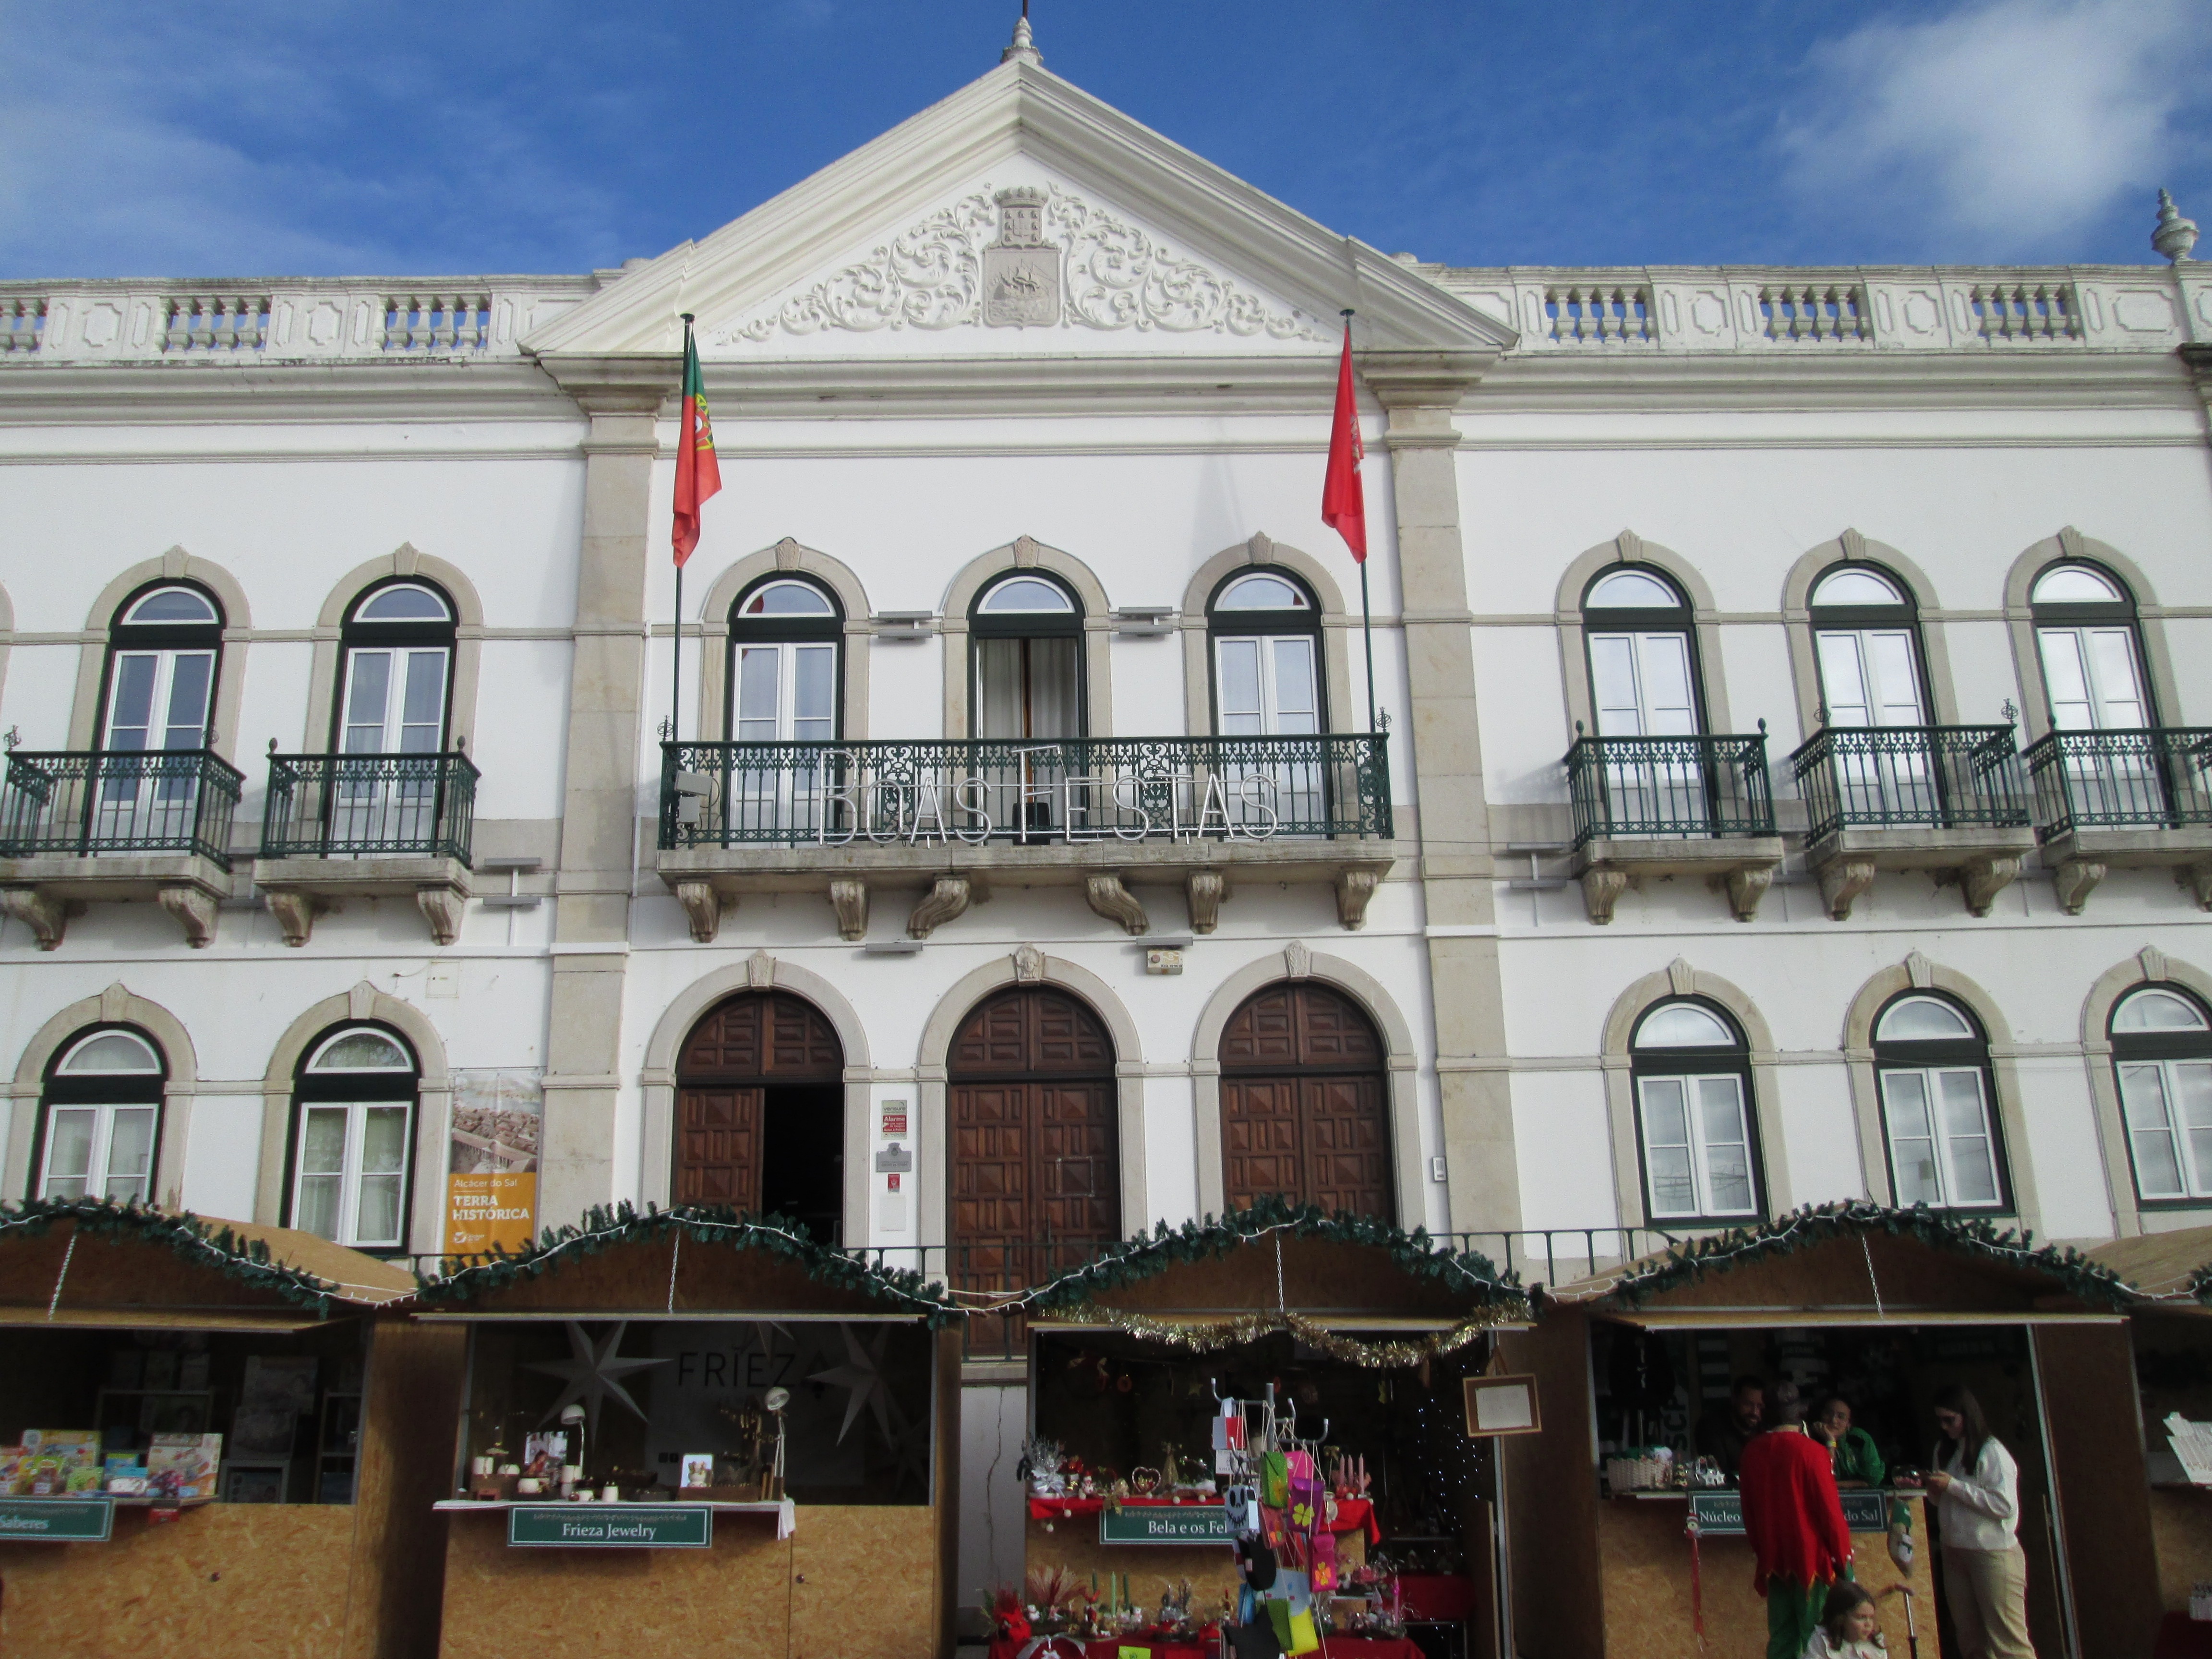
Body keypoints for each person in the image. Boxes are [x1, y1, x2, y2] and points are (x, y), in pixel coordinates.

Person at [1739, 1380, 1855, 1659]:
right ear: (1799, 1414)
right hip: (1813, 1561)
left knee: (1782, 1639)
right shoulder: (1812, 1452)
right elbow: (1830, 1513)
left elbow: (1750, 1515)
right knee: (1819, 1638)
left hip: (1774, 1562)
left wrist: (1763, 1552)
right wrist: (1844, 1559)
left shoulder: (1751, 1453)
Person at [1926, 1384, 2036, 1659]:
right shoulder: (1945, 1449)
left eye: (1949, 1420)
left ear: (1967, 1415)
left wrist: (1954, 1487)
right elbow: (1943, 1503)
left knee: (2008, 1641)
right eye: (1939, 1420)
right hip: (1955, 1551)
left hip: (1992, 1553)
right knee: (1970, 1639)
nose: (1945, 1427)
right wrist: (1933, 1489)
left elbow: (2005, 1506)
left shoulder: (1992, 1451)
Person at [1695, 1374, 1766, 1479]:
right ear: (1734, 1400)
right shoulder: (1712, 1427)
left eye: (1760, 1406)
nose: (1755, 1412)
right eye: (1748, 1404)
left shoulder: (1766, 1428)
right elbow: (1720, 1475)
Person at [1811, 1396, 1885, 1487]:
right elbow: (1818, 1480)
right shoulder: (1810, 1439)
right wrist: (1830, 1442)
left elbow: (1872, 1481)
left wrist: (1833, 1485)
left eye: (1841, 1417)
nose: (1834, 1420)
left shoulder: (1860, 1438)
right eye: (1828, 1413)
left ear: (1849, 1423)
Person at [1805, 1581, 1884, 1659]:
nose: (1868, 1624)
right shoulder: (1822, 1640)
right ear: (1841, 1618)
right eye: (1861, 1617)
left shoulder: (1876, 1642)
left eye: (1871, 1618)